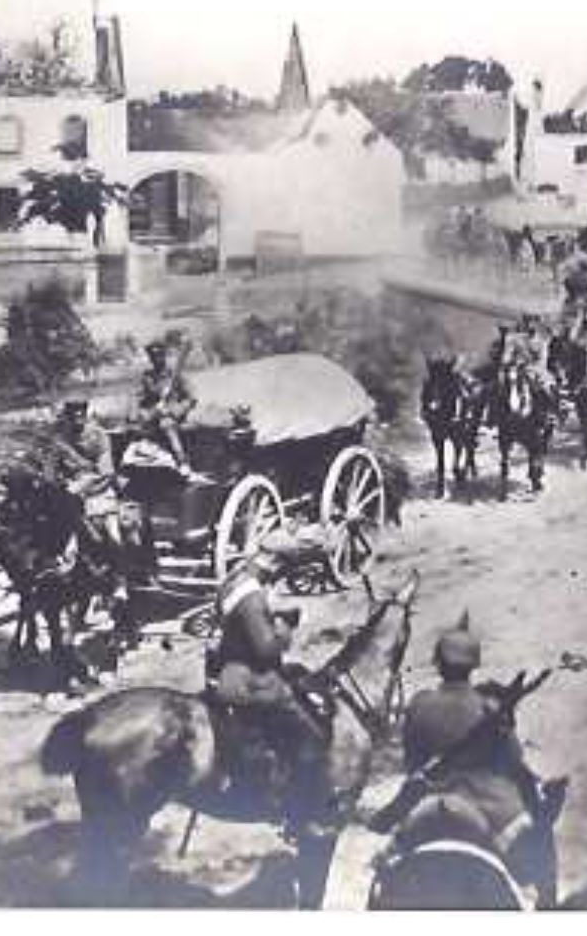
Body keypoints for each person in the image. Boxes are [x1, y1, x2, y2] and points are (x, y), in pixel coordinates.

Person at [382, 618, 552, 864]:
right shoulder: (488, 708)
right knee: (539, 845)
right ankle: (543, 897)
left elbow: (411, 760)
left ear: (438, 663)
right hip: (492, 813)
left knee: (380, 864)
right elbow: (513, 761)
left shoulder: (420, 703)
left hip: (426, 804)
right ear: (474, 665)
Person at [209, 529, 334, 838]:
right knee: (312, 735)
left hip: (225, 665)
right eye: (284, 567)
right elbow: (266, 649)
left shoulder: (235, 578)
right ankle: (300, 813)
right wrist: (285, 626)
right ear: (276, 562)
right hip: (249, 682)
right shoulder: (252, 597)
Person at [136, 331, 204, 480]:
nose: (156, 360)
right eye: (153, 357)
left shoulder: (175, 375)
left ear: (164, 356)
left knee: (166, 424)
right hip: (155, 415)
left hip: (174, 417)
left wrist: (175, 410)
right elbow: (141, 400)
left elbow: (191, 398)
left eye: (159, 356)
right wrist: (146, 412)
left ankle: (182, 461)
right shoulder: (147, 377)